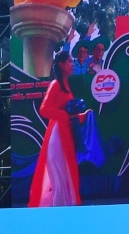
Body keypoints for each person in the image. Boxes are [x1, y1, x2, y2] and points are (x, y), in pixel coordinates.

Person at [28, 50, 87, 208]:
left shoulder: (66, 85)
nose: (73, 64)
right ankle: (59, 213)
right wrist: (64, 115)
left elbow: (69, 114)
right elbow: (44, 110)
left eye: (73, 62)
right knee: (61, 179)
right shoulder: (55, 84)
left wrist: (82, 115)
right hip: (57, 137)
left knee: (67, 177)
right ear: (61, 65)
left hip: (66, 134)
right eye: (70, 62)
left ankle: (66, 212)